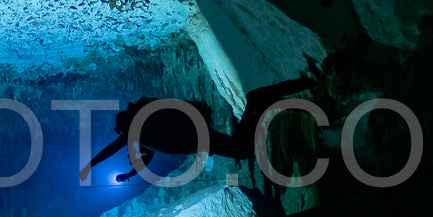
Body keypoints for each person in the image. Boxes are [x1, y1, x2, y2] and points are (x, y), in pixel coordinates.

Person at [80, 78, 314, 183]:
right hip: (196, 136)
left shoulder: (135, 129)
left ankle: (257, 102)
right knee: (240, 149)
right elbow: (146, 157)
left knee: (241, 150)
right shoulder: (142, 133)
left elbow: (110, 150)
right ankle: (265, 103)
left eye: (122, 134)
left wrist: (90, 165)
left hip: (196, 137)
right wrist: (129, 175)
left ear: (124, 127)